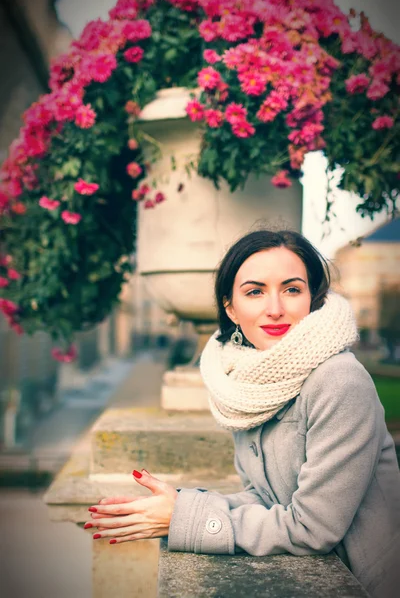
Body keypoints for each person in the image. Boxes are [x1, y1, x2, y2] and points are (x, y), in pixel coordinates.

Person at [86, 229, 400, 598]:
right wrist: (179, 505)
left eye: (292, 289)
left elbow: (312, 528)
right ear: (231, 308)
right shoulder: (245, 382)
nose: (274, 308)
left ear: (313, 300)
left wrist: (185, 518)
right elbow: (266, 499)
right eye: (254, 292)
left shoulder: (339, 380)